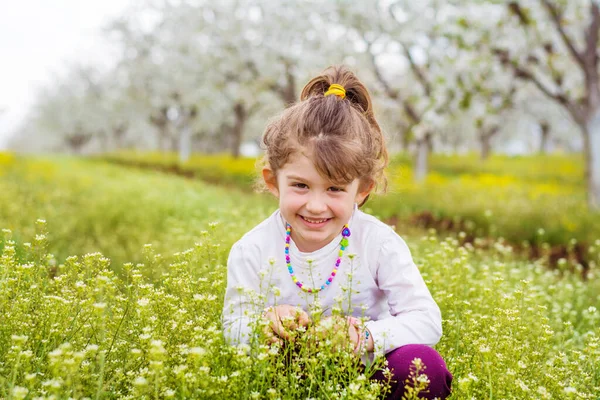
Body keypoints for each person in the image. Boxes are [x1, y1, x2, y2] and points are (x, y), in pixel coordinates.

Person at [222, 65, 452, 399]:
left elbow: (427, 320)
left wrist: (365, 336)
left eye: (334, 189)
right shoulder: (252, 249)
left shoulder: (378, 242)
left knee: (422, 365)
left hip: (368, 372)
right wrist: (263, 325)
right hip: (293, 373)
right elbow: (233, 328)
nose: (316, 206)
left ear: (362, 190)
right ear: (273, 181)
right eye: (300, 185)